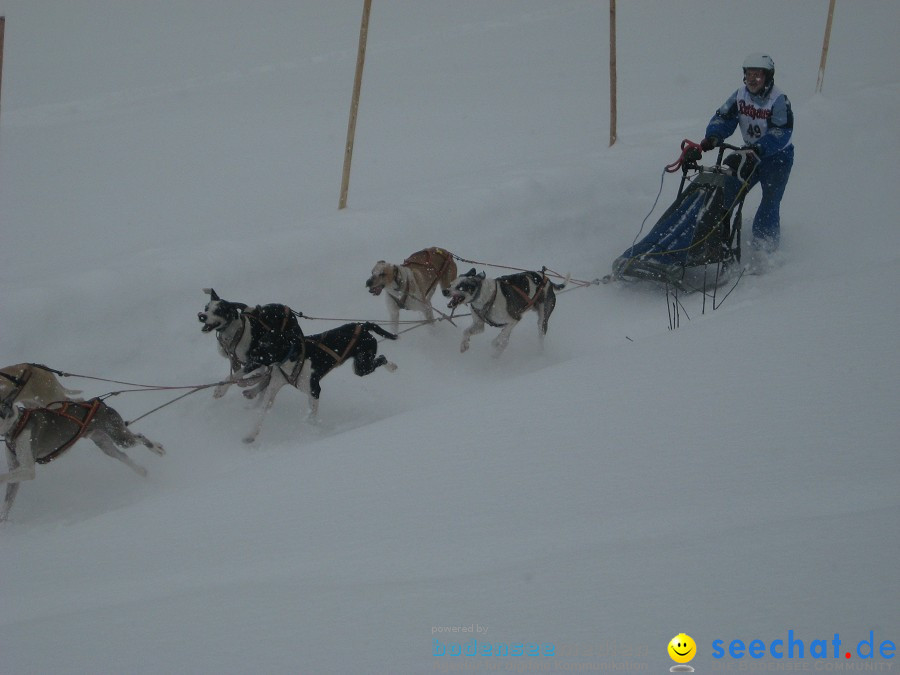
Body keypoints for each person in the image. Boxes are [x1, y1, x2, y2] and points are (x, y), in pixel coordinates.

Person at [697, 53, 794, 264]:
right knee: (725, 193)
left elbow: (781, 132)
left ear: (767, 77)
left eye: (757, 75)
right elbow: (724, 117)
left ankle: (764, 249)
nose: (752, 79)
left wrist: (761, 147)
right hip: (749, 154)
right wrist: (714, 135)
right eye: (749, 74)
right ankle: (716, 243)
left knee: (770, 201)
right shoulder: (740, 95)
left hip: (777, 159)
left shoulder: (779, 100)